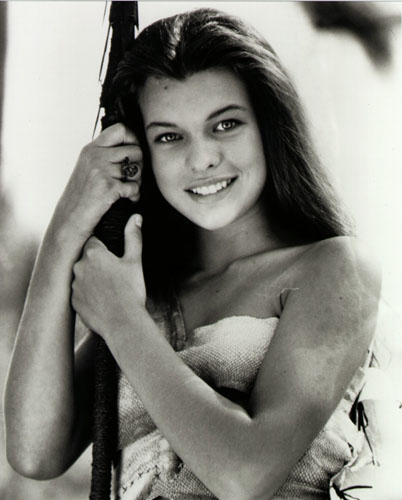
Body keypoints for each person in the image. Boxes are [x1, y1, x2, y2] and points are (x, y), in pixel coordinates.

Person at [4, 8, 388, 500]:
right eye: (169, 136)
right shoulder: (147, 292)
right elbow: (35, 452)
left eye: (225, 124)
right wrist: (67, 222)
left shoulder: (334, 268)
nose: (202, 158)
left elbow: (244, 475)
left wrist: (121, 319)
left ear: (268, 125)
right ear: (142, 153)